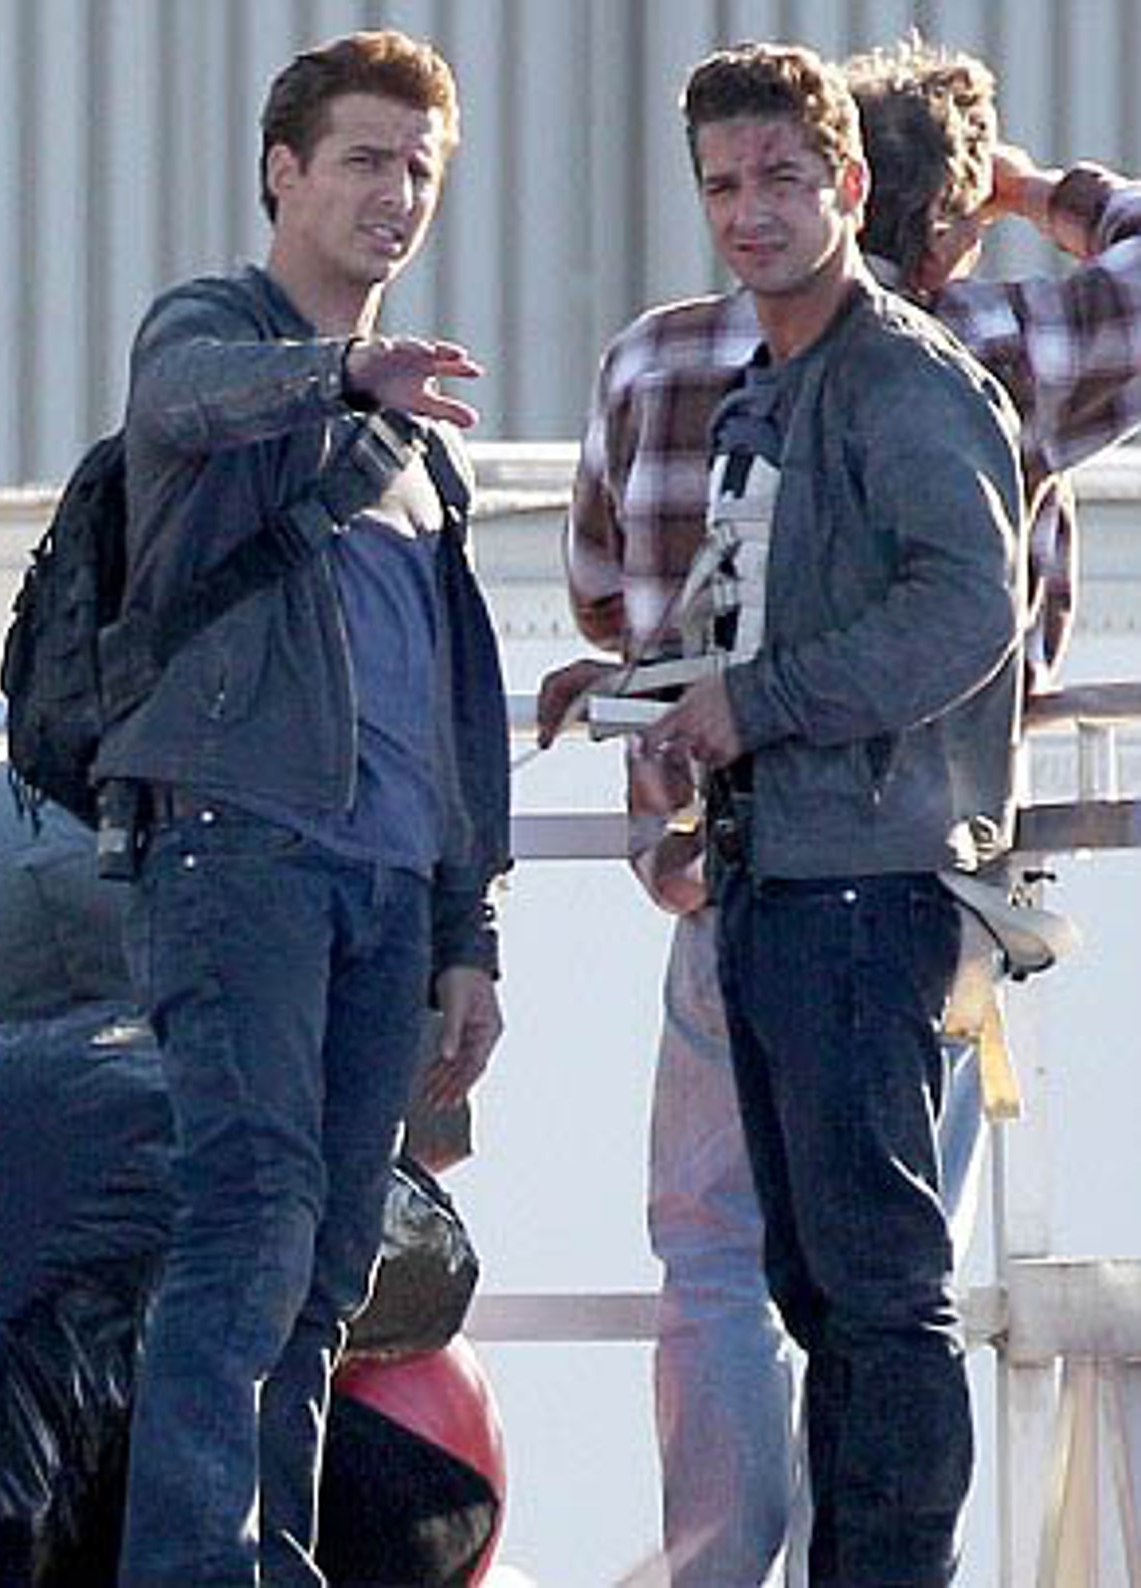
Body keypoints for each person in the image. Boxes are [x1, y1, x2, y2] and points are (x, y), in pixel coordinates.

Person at [539, 34, 1141, 1586]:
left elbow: (960, 609)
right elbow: (788, 610)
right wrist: (642, 687)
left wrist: (747, 702)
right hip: (801, 878)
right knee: (846, 1281)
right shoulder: (800, 374)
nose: (750, 211)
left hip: (852, 886)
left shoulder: (885, 375)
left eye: (782, 179)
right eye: (725, 184)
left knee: (834, 1286)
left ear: (851, 188)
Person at [90, 30, 510, 1588]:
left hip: (387, 889)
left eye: (419, 168)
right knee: (250, 1229)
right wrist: (336, 372)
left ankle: (270, 1564)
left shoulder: (424, 450)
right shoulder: (219, 330)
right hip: (241, 852)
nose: (395, 193)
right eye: (362, 159)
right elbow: (182, 398)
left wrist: (467, 936)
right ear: (284, 171)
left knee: (332, 1266)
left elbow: (451, 710)